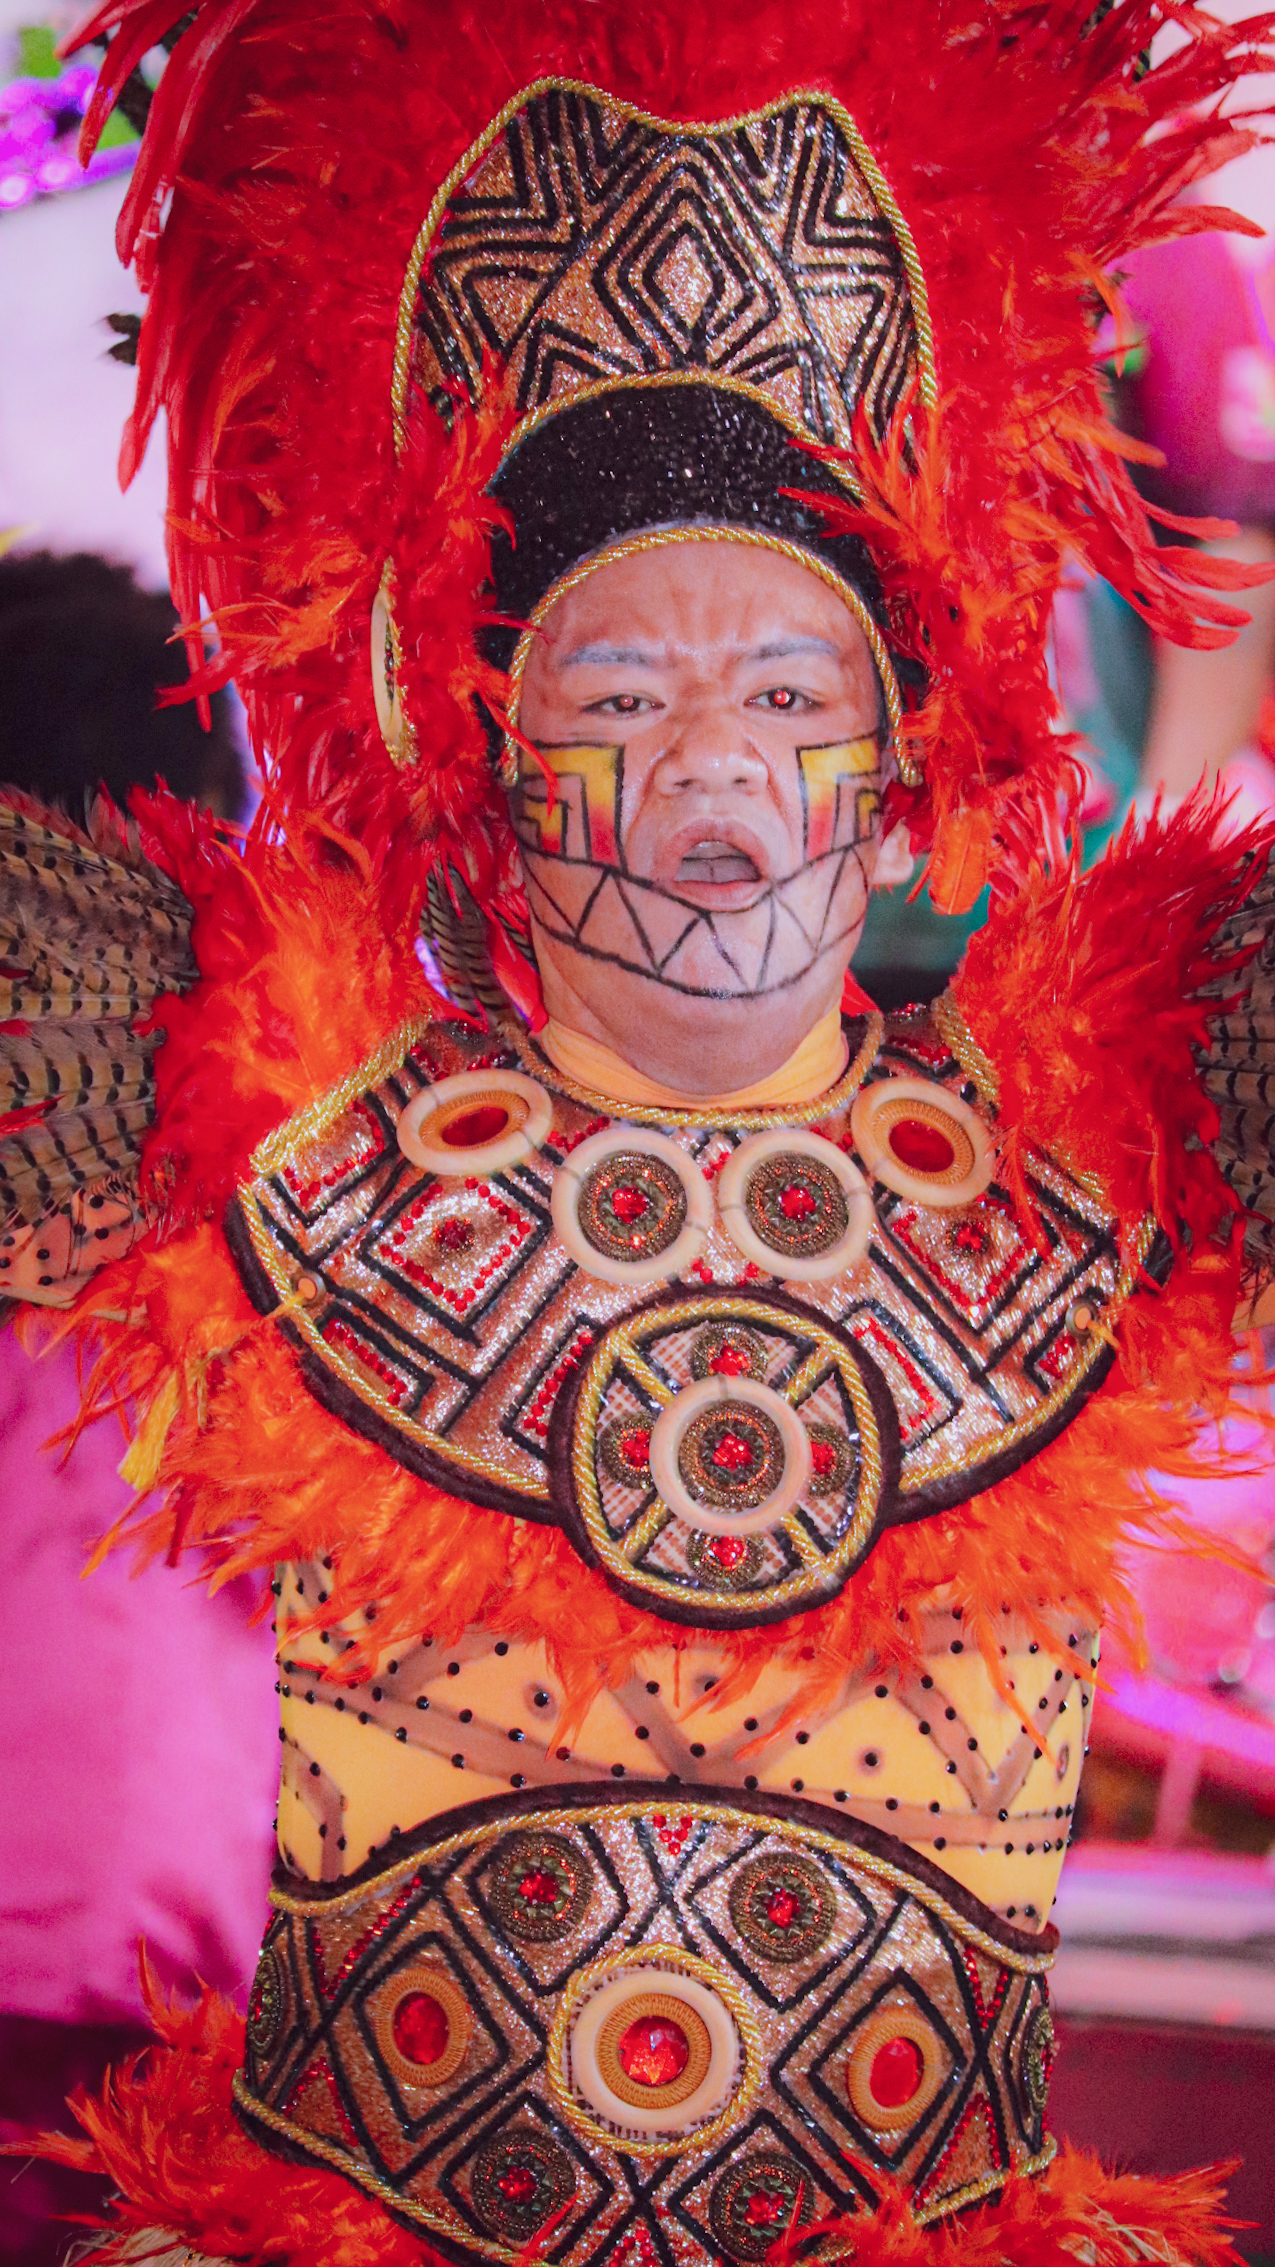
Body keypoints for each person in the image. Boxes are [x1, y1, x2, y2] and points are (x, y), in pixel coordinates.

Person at [6, 4, 1275, 2264]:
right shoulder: (259, 1110)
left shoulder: (1116, 1136)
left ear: (899, 756)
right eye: (618, 692)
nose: (713, 769)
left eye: (787, 694)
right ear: (483, 757)